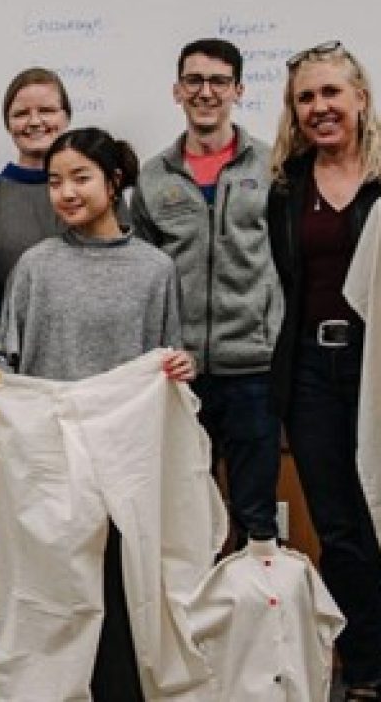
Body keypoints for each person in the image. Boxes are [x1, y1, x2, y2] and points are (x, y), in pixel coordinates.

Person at [0, 127, 194, 701]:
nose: (66, 192)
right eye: (54, 181)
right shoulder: (35, 268)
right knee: (57, 596)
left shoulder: (154, 270)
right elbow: (6, 356)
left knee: (123, 594)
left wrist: (179, 371)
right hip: (50, 460)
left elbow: (168, 356)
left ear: (113, 182)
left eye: (80, 178)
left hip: (125, 460)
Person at [132, 37, 281, 546]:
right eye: (194, 80)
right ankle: (195, 625)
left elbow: (288, 262)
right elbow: (144, 275)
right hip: (182, 374)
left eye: (219, 81)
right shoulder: (152, 178)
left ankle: (258, 623)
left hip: (255, 372)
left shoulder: (272, 166)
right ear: (177, 90)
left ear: (238, 89)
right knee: (188, 520)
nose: (206, 91)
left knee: (256, 518)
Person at [267, 41, 381, 701]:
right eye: (306, 98)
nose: (320, 108)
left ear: (360, 98)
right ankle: (365, 669)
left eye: (331, 93)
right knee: (338, 525)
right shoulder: (287, 186)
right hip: (311, 369)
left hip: (378, 367)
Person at [0, 67, 72, 281]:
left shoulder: (99, 191)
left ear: (66, 118)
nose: (35, 122)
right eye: (21, 114)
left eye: (46, 110)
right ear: (8, 124)